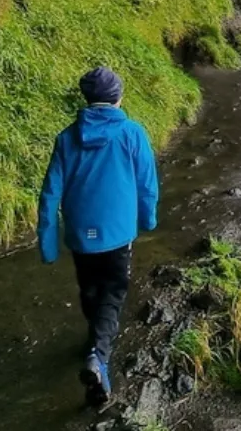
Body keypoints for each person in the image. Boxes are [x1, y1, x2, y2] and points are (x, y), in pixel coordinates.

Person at [38, 65, 159, 406]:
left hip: (80, 234)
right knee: (114, 292)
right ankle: (99, 358)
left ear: (88, 99)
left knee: (89, 288)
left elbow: (49, 195)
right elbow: (146, 184)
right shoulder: (132, 134)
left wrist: (48, 244)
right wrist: (147, 220)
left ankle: (95, 341)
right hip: (118, 234)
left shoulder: (66, 139)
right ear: (118, 98)